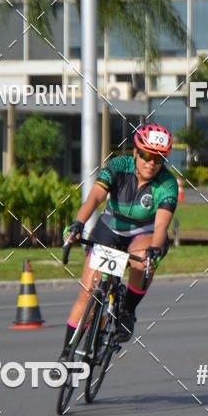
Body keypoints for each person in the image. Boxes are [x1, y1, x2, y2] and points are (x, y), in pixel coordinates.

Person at [59, 124, 178, 358]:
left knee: (143, 259)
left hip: (144, 234)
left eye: (158, 158)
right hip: (110, 229)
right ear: (135, 152)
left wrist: (155, 249)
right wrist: (78, 224)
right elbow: (94, 198)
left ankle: (128, 311)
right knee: (88, 292)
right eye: (145, 155)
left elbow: (162, 224)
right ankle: (66, 353)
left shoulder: (167, 183)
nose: (151, 162)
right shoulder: (118, 166)